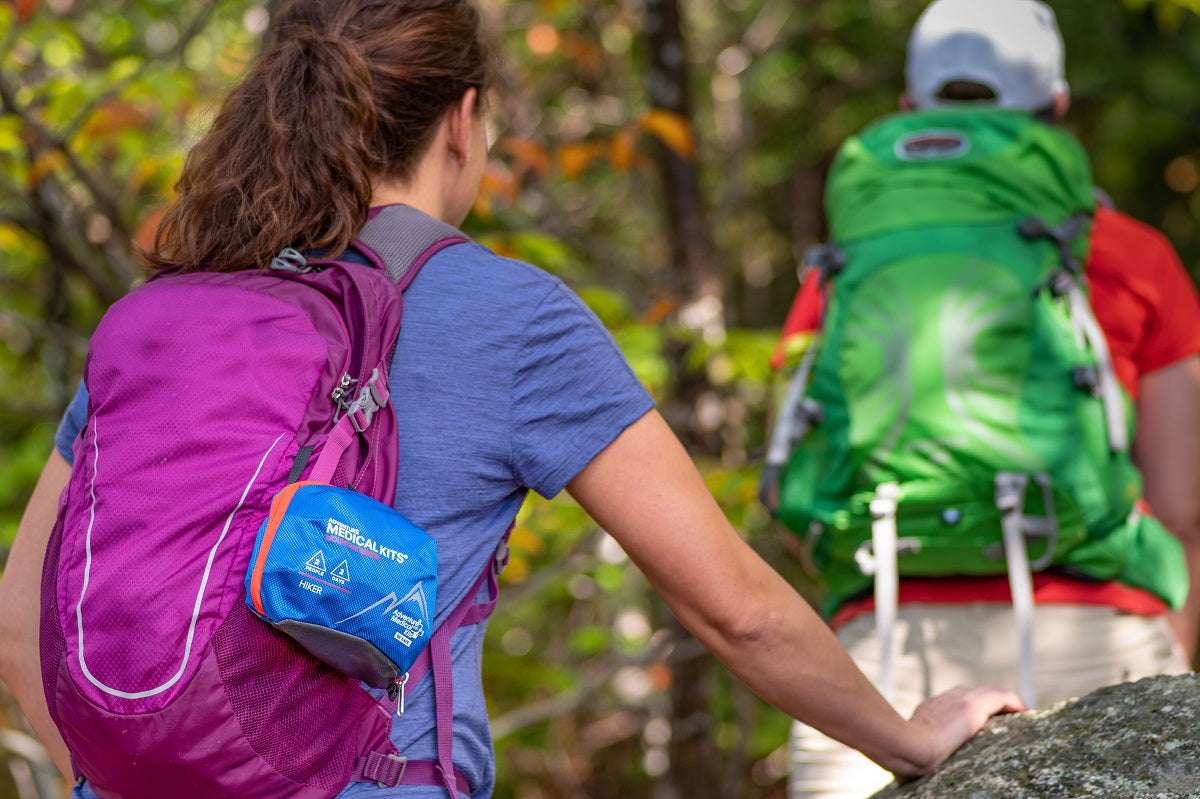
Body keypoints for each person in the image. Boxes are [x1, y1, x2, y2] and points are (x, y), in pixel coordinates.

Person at [0, 1, 1021, 798]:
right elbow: (734, 609)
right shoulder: (511, 313)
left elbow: (18, 619)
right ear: (462, 120)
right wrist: (908, 734)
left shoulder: (174, 309)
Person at [778, 1, 1200, 798]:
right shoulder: (1132, 256)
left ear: (909, 112)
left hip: (881, 653)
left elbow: (799, 475)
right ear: (1059, 111)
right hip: (1097, 629)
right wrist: (1157, 655)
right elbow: (1181, 505)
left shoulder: (845, 265)